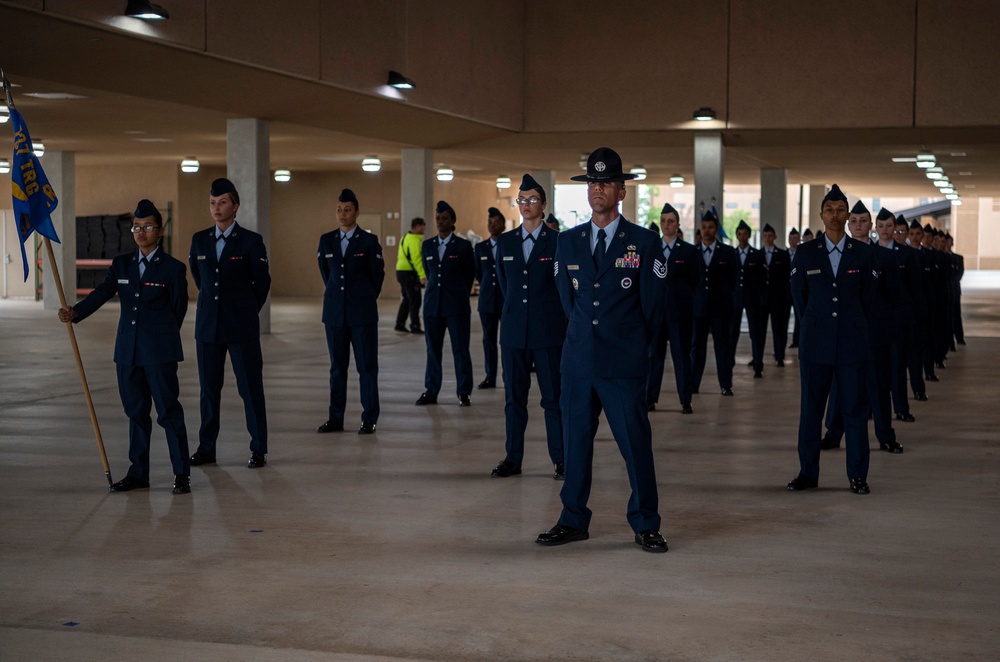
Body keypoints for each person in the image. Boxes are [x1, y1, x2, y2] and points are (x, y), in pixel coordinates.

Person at [535, 147, 667, 553]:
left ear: (622, 191)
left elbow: (653, 309)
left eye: (606, 182)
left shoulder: (644, 242)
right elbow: (566, 301)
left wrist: (633, 350)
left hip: (623, 363)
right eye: (593, 183)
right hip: (578, 361)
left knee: (635, 446)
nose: (598, 189)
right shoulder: (568, 242)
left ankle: (645, 523)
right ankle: (573, 518)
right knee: (575, 445)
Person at [58, 199, 192, 494]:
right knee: (136, 413)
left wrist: (160, 339)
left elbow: (177, 311)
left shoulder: (172, 268)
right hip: (127, 353)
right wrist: (76, 311)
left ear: (159, 230)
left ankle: (181, 474)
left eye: (147, 227)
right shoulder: (121, 264)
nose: (140, 232)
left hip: (159, 354)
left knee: (168, 412)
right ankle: (138, 473)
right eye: (136, 226)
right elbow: (103, 292)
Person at [788, 185, 877, 495]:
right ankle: (807, 473)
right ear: (822, 214)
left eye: (841, 210)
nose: (836, 215)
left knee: (854, 410)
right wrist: (816, 323)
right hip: (816, 344)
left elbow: (868, 298)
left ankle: (857, 475)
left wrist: (850, 324)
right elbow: (799, 297)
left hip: (852, 344)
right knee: (811, 411)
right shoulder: (806, 251)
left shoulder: (864, 253)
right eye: (830, 210)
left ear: (847, 215)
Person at [188, 178, 272, 469]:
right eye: (212, 203)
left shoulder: (251, 241)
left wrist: (245, 310)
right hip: (208, 327)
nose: (216, 208)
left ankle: (259, 448)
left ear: (235, 206)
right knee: (209, 390)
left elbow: (262, 284)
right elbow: (199, 279)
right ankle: (206, 448)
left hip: (241, 327)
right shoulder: (199, 240)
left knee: (249, 388)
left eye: (222, 202)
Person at [490, 174, 566, 479]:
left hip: (548, 332)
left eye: (532, 199)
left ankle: (561, 459)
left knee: (552, 399)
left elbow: (563, 286)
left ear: (544, 205)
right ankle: (513, 458)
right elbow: (505, 284)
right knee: (514, 399)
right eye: (521, 200)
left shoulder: (558, 241)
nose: (526, 205)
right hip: (513, 332)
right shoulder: (506, 241)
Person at [821, 201, 903, 454]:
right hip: (844, 331)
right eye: (854, 221)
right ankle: (834, 433)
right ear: (848, 223)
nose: (858, 225)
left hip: (876, 332)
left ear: (871, 225)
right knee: (839, 386)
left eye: (863, 221)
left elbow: (894, 295)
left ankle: (885, 435)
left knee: (878, 386)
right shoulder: (838, 253)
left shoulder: (885, 257)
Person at [316, 188, 385, 436]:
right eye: (339, 209)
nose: (342, 214)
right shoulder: (327, 240)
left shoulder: (368, 241)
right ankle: (335, 418)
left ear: (357, 212)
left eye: (347, 209)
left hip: (362, 313)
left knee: (366, 367)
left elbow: (377, 276)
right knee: (337, 367)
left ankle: (369, 418)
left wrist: (362, 298)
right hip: (335, 313)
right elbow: (326, 272)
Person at [416, 200, 475, 407]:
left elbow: (469, 275)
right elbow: (429, 271)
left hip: (456, 306)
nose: (441, 222)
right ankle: (431, 390)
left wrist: (458, 294)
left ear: (452, 221)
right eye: (438, 218)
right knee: (433, 350)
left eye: (445, 219)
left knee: (460, 349)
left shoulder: (463, 246)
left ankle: (464, 391)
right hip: (433, 306)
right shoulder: (428, 245)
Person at [646, 203, 699, 414]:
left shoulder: (688, 251)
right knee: (654, 357)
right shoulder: (652, 248)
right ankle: (650, 398)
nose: (666, 225)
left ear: (677, 225)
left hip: (679, 313)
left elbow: (694, 280)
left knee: (681, 355)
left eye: (670, 221)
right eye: (663, 221)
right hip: (657, 314)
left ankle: (686, 400)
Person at [691, 208, 738, 396]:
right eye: (704, 227)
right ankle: (693, 384)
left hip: (721, 307)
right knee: (697, 347)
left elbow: (732, 279)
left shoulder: (727, 252)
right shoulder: (692, 252)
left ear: (716, 229)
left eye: (711, 227)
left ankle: (726, 385)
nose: (707, 231)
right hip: (699, 307)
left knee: (723, 347)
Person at [889, 212, 922, 420]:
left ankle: (901, 407)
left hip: (901, 318)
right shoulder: (874, 253)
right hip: (879, 320)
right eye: (896, 231)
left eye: (902, 232)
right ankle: (873, 408)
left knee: (899, 365)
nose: (898, 235)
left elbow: (915, 289)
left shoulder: (909, 256)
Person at [474, 208, 505, 390]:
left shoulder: (509, 244)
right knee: (489, 340)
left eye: (496, 223)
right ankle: (490, 376)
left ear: (502, 225)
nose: (492, 226)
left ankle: (507, 376)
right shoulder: (480, 248)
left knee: (507, 341)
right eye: (490, 223)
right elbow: (478, 273)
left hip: (505, 300)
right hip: (487, 301)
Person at [731, 219, 764, 377]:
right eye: (740, 234)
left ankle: (758, 365)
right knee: (733, 333)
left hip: (752, 299)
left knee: (755, 333)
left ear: (749, 235)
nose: (742, 236)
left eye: (745, 234)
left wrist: (759, 294)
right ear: (737, 235)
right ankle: (729, 362)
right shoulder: (732, 254)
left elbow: (762, 278)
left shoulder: (757, 255)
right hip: (736, 299)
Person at [757, 223, 791, 368]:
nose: (767, 238)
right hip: (761, 299)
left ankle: (779, 356)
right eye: (765, 236)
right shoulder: (757, 255)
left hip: (778, 299)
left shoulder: (782, 255)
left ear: (775, 237)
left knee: (779, 329)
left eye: (770, 236)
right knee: (760, 331)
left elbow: (786, 277)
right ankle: (757, 358)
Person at [395, 217, 426, 334]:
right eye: (423, 226)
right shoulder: (414, 240)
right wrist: (422, 276)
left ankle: (400, 323)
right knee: (415, 300)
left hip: (400, 271)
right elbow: (416, 259)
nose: (424, 228)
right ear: (417, 226)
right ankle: (415, 325)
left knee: (407, 299)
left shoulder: (405, 238)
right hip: (409, 273)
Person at [788, 227, 801, 349]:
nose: (793, 240)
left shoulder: (802, 253)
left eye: (795, 238)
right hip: (786, 292)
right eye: (791, 238)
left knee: (799, 317)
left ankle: (797, 340)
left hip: (798, 291)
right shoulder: (784, 254)